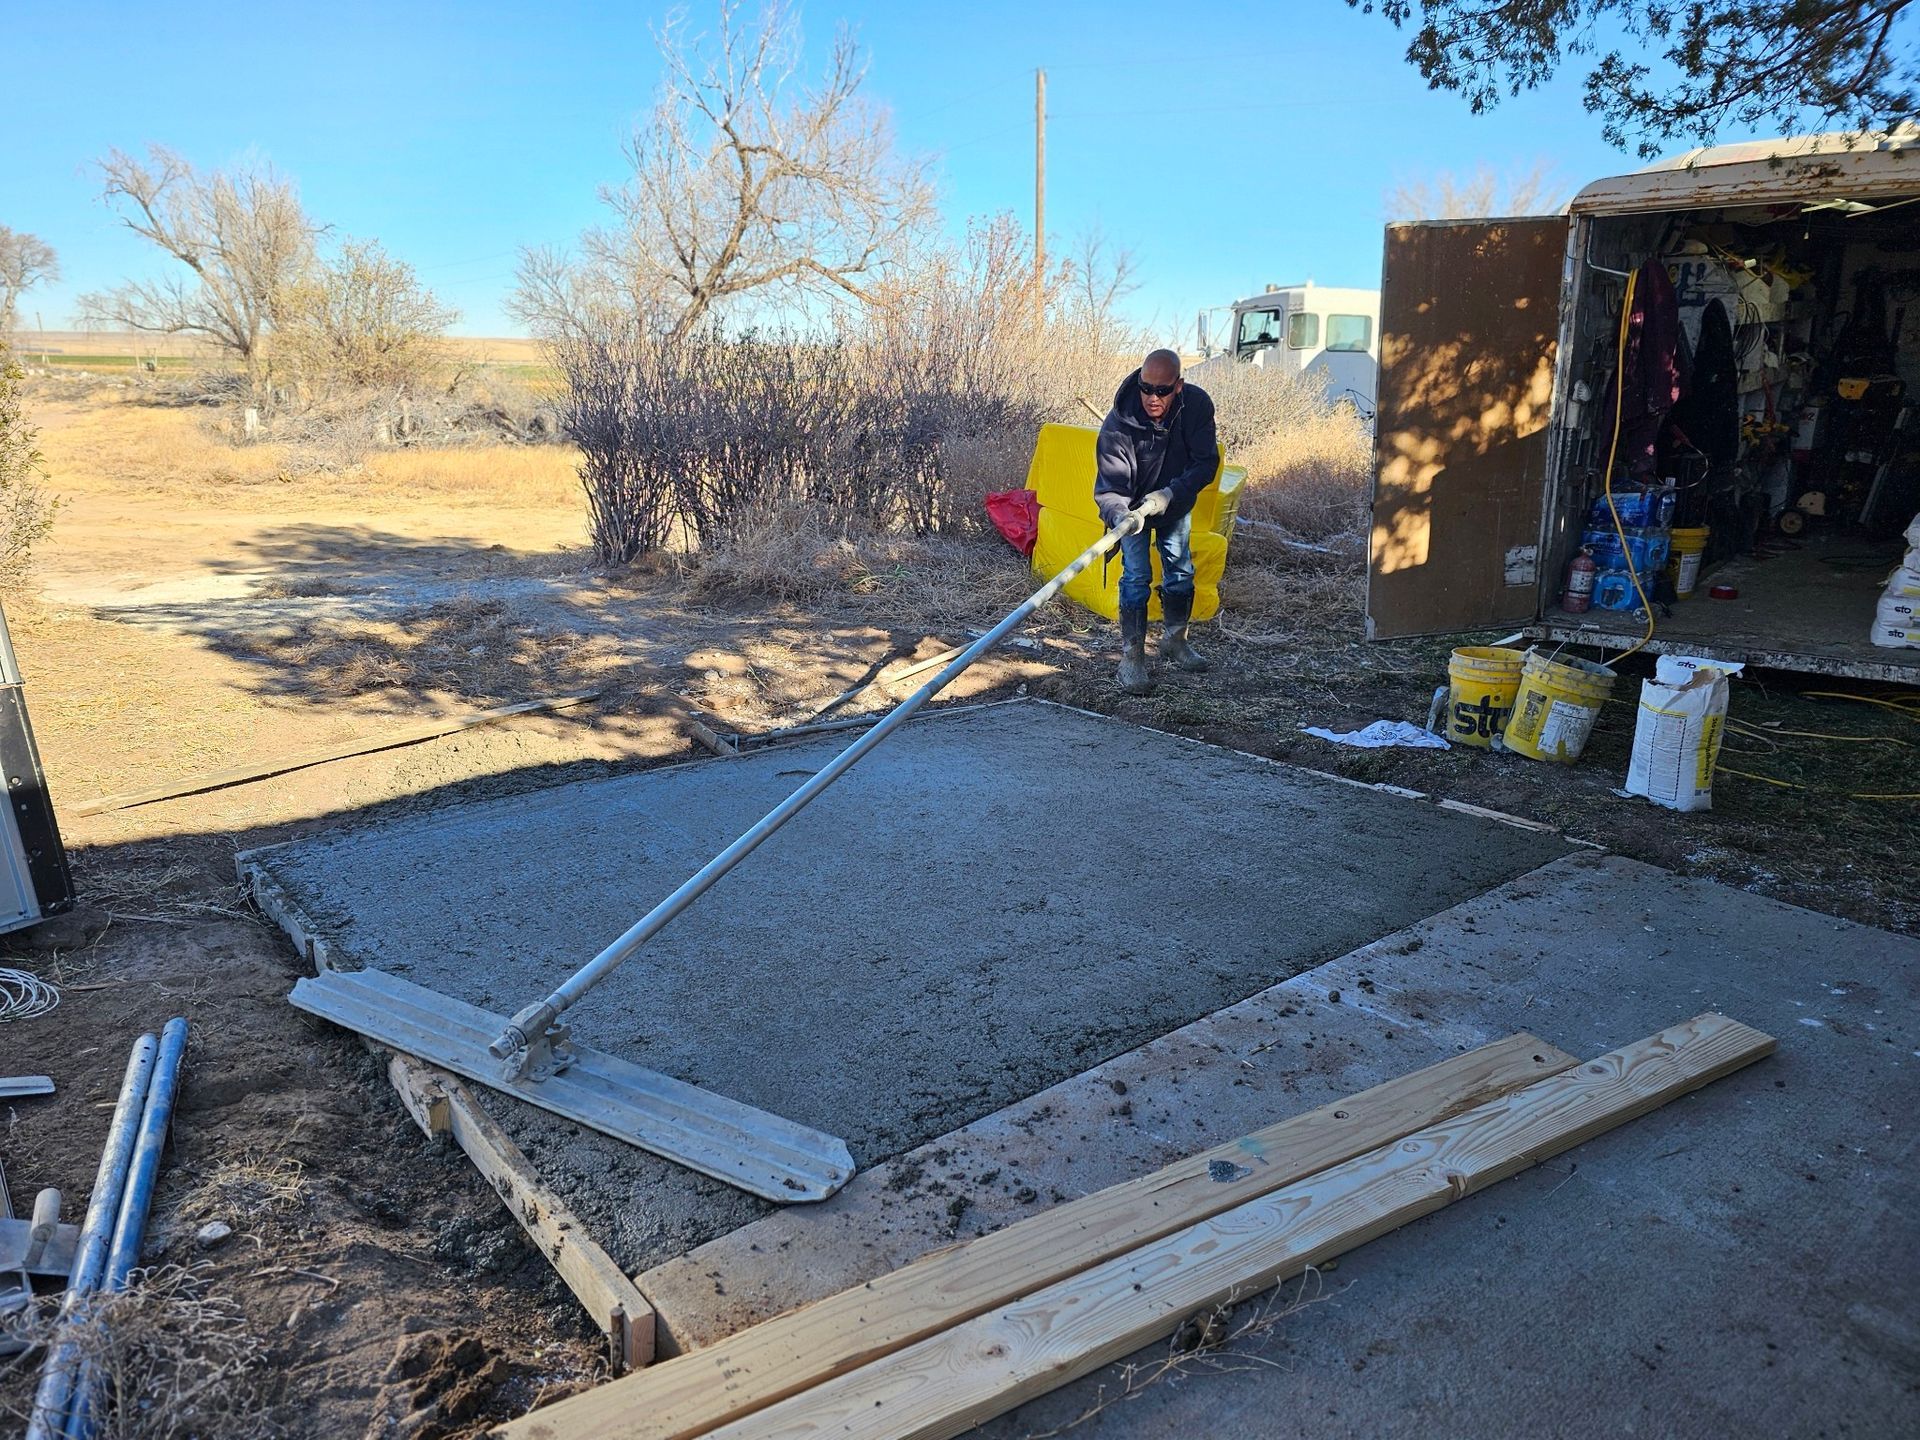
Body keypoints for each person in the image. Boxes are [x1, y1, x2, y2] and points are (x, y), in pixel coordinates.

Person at [1094, 348, 1219, 694]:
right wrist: (1122, 516)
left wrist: (1170, 494)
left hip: (1174, 503)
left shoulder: (1196, 406)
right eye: (1146, 387)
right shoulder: (1119, 422)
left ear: (1178, 386)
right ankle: (1131, 658)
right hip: (1133, 510)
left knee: (1180, 571)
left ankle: (1175, 641)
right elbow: (1110, 487)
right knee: (1136, 577)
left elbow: (1205, 463)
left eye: (1162, 390)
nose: (1152, 397)